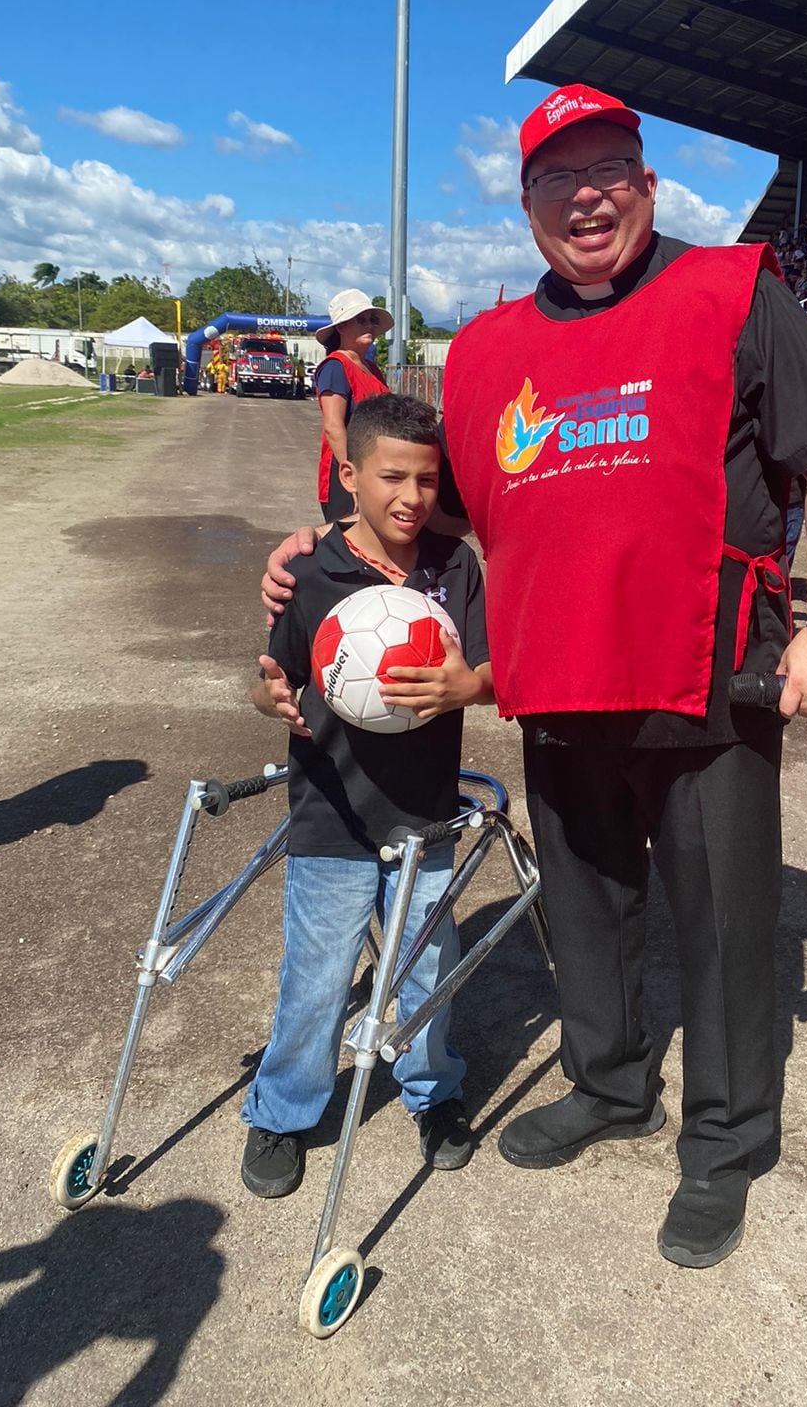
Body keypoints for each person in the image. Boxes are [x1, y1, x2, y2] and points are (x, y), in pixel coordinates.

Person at [262, 82, 807, 1268]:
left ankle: (728, 1139)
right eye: (558, 178)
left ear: (646, 184)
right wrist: (323, 551)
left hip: (710, 674)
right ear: (528, 200)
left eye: (609, 171)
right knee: (585, 908)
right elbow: (422, 508)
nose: (586, 196)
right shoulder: (488, 351)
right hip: (559, 679)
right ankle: (609, 1083)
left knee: (726, 924)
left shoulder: (733, 292)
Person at [241, 394, 493, 1197]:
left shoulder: (454, 566)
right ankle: (282, 1112)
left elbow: (488, 672)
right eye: (391, 477)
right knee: (317, 976)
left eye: (426, 479)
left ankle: (434, 1094)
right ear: (349, 475)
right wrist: (269, 700)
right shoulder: (312, 571)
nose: (410, 496)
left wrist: (467, 685)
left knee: (425, 971)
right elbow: (268, 677)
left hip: (425, 816)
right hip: (330, 813)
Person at [314, 289, 393, 522]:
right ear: (341, 327)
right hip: (347, 476)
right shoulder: (336, 367)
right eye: (360, 319)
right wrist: (355, 477)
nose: (369, 325)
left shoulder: (372, 368)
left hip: (374, 470)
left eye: (372, 320)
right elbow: (333, 426)